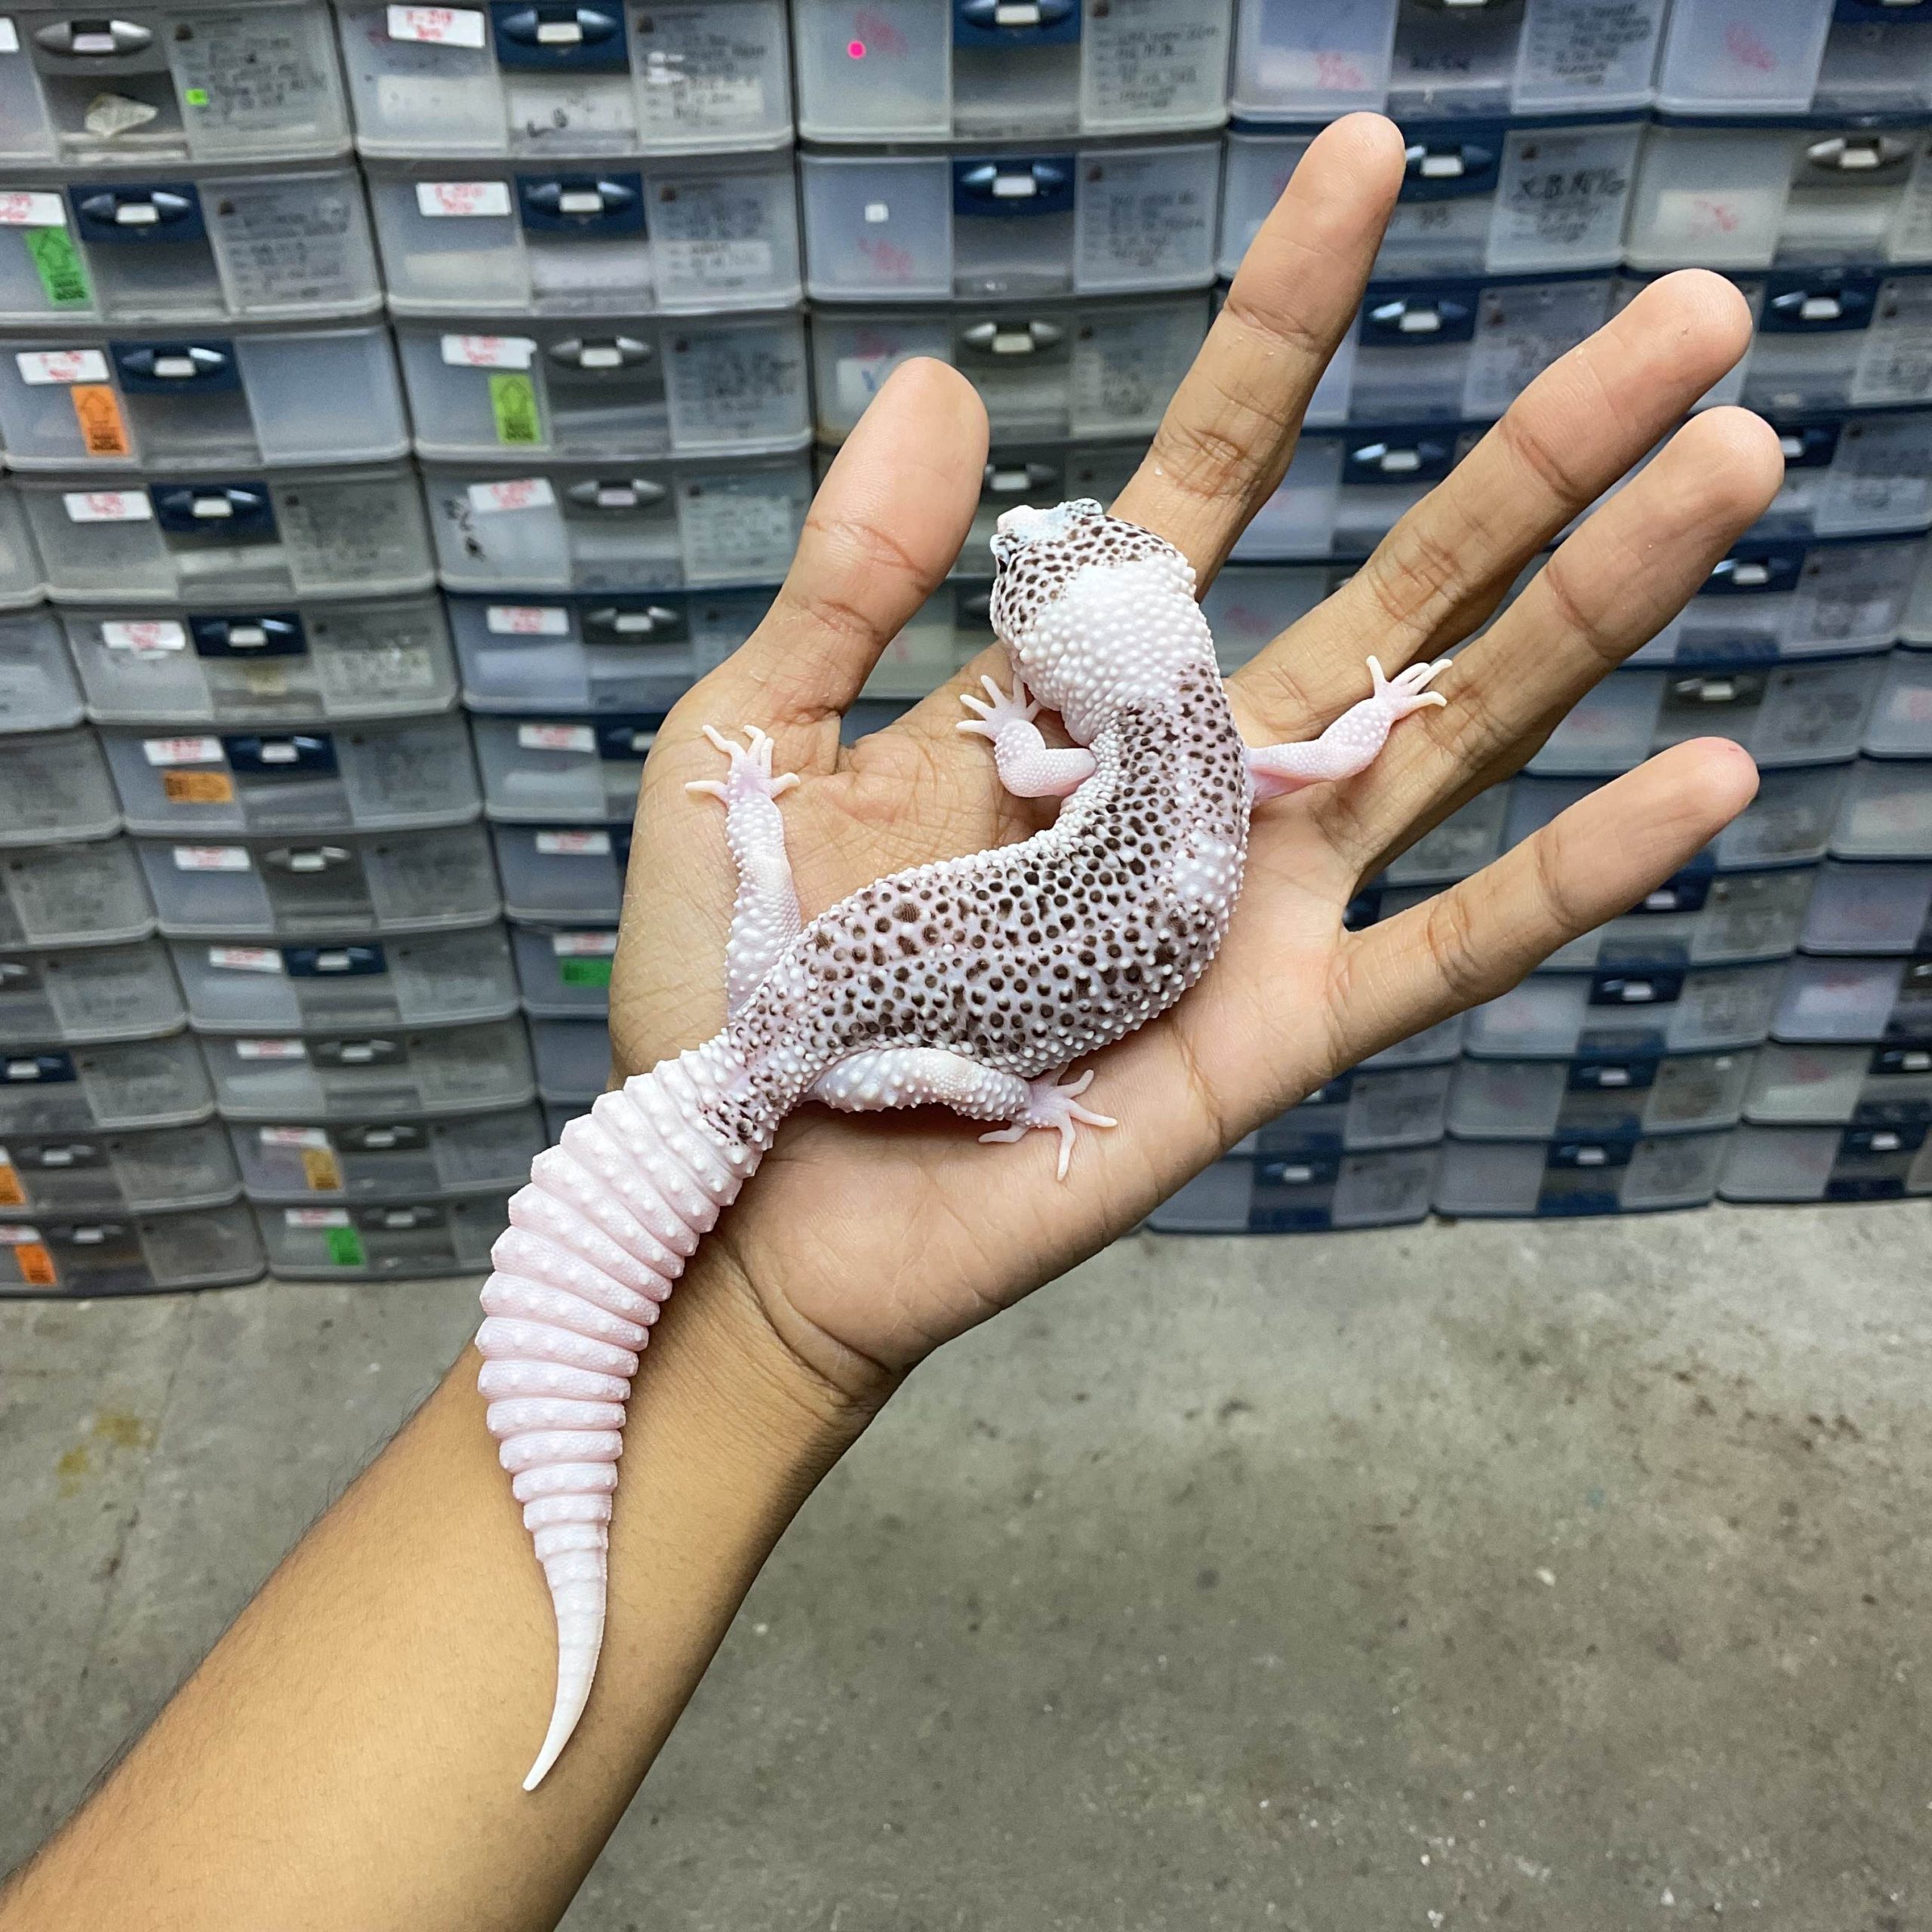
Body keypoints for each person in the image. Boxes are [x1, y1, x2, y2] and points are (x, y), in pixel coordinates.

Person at [0, 115, 1781, 1932]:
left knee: (868, 1015)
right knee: (913, 1052)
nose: (1027, 555)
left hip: (802, 1011)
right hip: (818, 1042)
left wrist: (829, 881)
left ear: (1089, 663)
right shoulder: (1207, 755)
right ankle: (943, 1090)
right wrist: (1360, 731)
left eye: (1036, 584)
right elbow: (1306, 761)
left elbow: (1034, 772)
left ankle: (891, 1008)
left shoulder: (1082, 766)